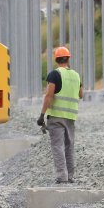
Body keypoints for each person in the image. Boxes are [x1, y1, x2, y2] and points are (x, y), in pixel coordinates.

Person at [37, 46, 83, 184]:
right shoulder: (76, 75)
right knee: (69, 146)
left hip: (56, 116)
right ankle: (70, 176)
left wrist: (41, 115)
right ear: (68, 58)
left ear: (56, 59)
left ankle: (62, 177)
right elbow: (81, 95)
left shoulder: (54, 74)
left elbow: (49, 95)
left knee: (58, 146)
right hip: (71, 117)